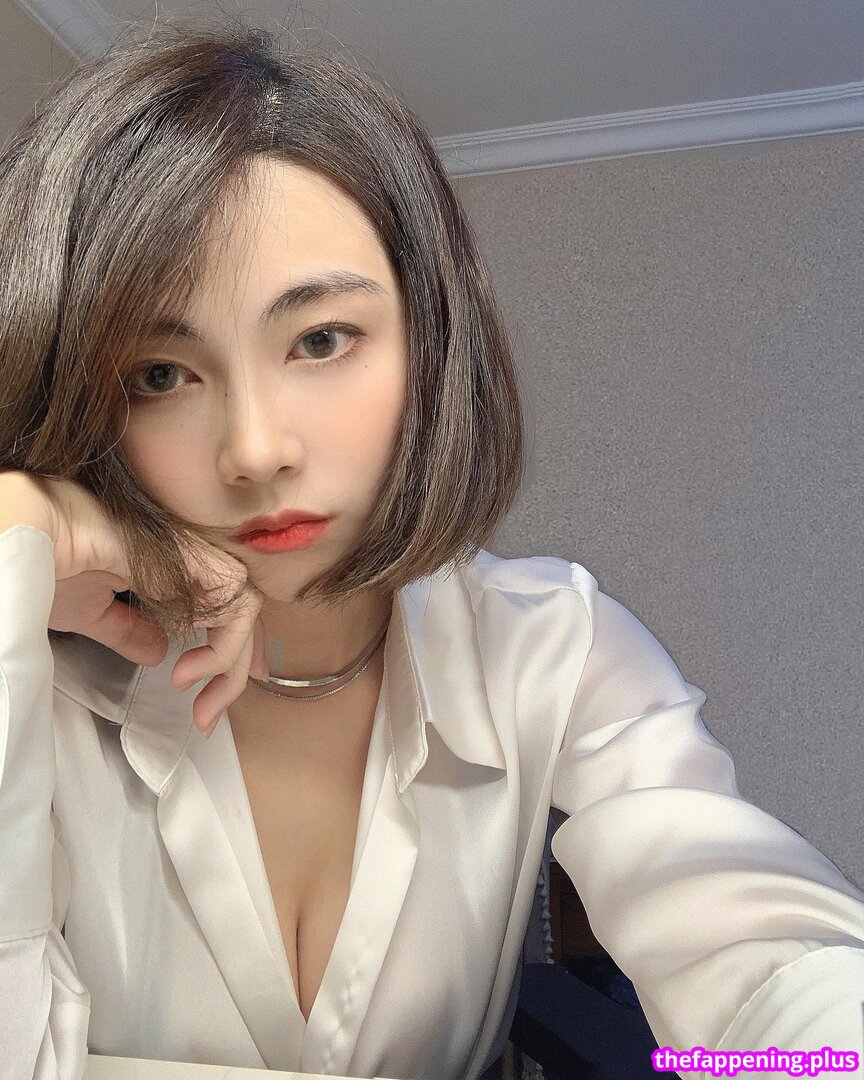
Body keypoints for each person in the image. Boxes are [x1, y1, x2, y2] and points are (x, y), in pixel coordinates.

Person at [2, 18, 864, 1080]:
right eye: (159, 375)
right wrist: (15, 544)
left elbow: (772, 968)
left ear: (428, 343)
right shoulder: (33, 666)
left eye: (322, 339)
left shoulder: (548, 645)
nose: (256, 450)